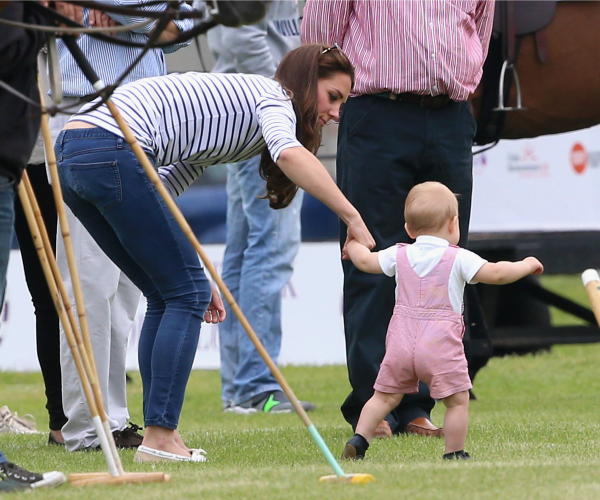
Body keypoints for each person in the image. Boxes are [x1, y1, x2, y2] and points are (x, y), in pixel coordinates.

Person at [54, 44, 375, 463]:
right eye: (333, 97)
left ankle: (159, 433)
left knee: (168, 292)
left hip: (73, 152)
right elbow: (290, 153)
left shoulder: (237, 123)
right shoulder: (273, 97)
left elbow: (162, 191)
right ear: (305, 82)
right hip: (111, 144)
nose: (336, 113)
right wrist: (352, 218)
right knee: (183, 294)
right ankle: (160, 437)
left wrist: (192, 270)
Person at [301, 0, 496, 438]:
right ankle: (375, 407)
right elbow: (320, 38)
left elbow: (480, 27)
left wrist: (462, 79)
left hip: (449, 115)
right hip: (377, 112)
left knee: (443, 263)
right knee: (369, 256)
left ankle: (417, 407)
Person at [42, 2, 193, 451]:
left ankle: (114, 417)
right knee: (89, 280)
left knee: (130, 288)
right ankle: (86, 425)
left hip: (147, 117)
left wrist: (135, 19)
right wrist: (129, 18)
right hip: (85, 109)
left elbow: (182, 24)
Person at [341, 182, 544, 460]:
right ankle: (454, 452)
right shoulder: (458, 257)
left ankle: (360, 439)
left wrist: (353, 245)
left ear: (409, 230)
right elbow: (496, 273)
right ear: (453, 224)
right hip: (439, 345)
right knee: (457, 401)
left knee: (384, 397)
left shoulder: (399, 253)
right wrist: (527, 264)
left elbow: (365, 262)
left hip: (401, 342)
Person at [205, 0, 315, 414]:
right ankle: (255, 385)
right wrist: (288, 99)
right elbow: (240, 34)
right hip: (263, 113)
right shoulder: (277, 99)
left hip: (243, 109)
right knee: (270, 248)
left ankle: (241, 387)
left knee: (247, 250)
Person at [0, 0, 81, 487]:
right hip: (20, 163)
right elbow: (10, 46)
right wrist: (42, 16)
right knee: (45, 295)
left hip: (13, 163)